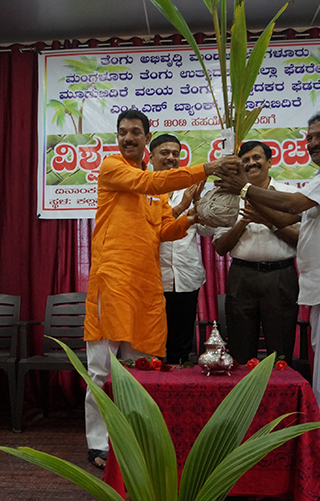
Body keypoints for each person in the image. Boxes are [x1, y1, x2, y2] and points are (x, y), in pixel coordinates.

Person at [215, 112, 320, 500]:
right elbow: (289, 216)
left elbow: (292, 203)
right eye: (308, 137)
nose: (312, 143)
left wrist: (245, 188)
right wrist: (252, 204)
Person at [84, 109, 240, 469]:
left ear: (146, 137)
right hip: (114, 282)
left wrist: (193, 215)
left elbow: (164, 231)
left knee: (139, 370)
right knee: (103, 371)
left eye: (135, 132)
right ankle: (100, 443)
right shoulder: (113, 168)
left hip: (145, 288)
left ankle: (131, 439)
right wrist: (208, 167)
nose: (128, 138)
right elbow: (152, 183)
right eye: (123, 132)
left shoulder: (154, 193)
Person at [213, 140, 300, 364]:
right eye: (246, 160)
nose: (251, 163)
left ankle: (281, 386)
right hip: (242, 276)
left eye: (256, 158)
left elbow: (302, 241)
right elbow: (220, 248)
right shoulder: (229, 198)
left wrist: (269, 222)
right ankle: (245, 388)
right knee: (240, 351)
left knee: (280, 351)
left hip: (281, 276)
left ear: (269, 162)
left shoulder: (290, 195)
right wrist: (243, 221)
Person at [149, 133, 213, 365]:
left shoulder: (190, 188)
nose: (171, 158)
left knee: (181, 345)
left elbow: (207, 231)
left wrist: (197, 203)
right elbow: (150, 230)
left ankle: (179, 383)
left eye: (175, 154)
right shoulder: (142, 189)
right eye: (164, 153)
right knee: (152, 344)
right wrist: (183, 205)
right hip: (152, 279)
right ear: (151, 157)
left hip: (186, 276)